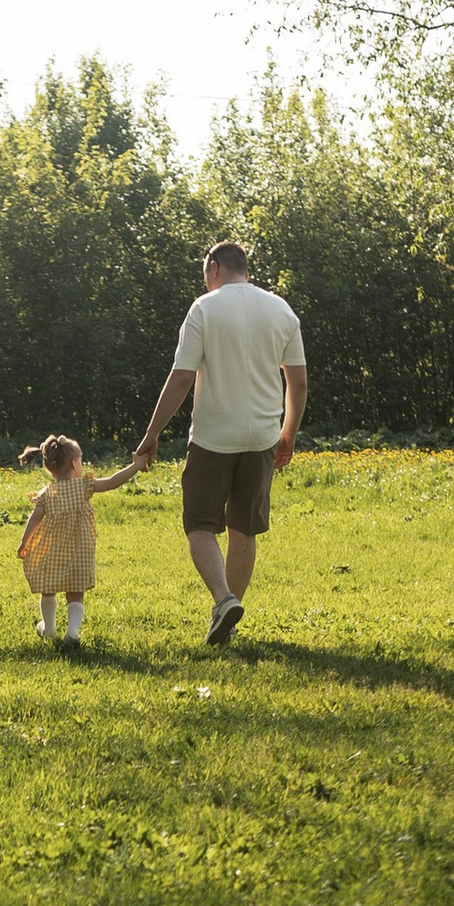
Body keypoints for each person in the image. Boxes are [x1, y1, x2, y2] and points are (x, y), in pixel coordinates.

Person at [137, 242, 308, 649]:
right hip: (262, 436)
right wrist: (289, 433)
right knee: (243, 528)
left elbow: (181, 377)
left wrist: (151, 433)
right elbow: (297, 382)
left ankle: (223, 599)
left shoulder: (204, 308)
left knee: (199, 524)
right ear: (245, 269)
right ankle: (227, 621)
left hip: (214, 437)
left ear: (214, 267)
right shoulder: (281, 310)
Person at [13, 430, 147, 657]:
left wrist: (24, 543)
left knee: (48, 589)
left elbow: (35, 518)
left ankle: (49, 629)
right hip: (80, 551)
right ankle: (72, 633)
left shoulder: (48, 492)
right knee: (76, 593)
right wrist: (136, 465)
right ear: (75, 463)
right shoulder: (85, 486)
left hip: (52, 550)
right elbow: (114, 481)